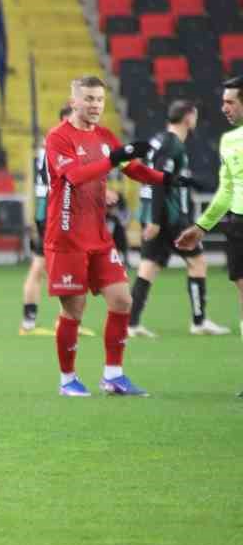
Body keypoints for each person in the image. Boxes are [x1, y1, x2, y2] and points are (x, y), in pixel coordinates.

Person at [42, 75, 182, 398]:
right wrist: (113, 159)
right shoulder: (58, 138)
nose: (94, 105)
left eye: (99, 100)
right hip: (66, 239)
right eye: (88, 99)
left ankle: (114, 375)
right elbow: (74, 176)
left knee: (122, 300)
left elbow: (131, 168)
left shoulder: (104, 136)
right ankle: (67, 380)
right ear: (74, 101)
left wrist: (167, 179)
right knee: (73, 311)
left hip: (98, 237)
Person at [129, 100, 229, 338]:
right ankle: (199, 321)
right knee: (198, 262)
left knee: (148, 267)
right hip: (170, 216)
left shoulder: (158, 140)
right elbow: (158, 181)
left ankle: (131, 324)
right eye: (193, 115)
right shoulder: (172, 145)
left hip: (156, 213)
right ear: (187, 117)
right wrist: (155, 220)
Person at [175, 75, 243, 359]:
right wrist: (202, 227)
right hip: (238, 225)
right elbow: (226, 190)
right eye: (223, 102)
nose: (224, 108)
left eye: (230, 102)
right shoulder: (229, 141)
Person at [21, 106, 75, 335]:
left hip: (53, 214)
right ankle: (31, 323)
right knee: (43, 266)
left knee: (55, 267)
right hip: (52, 215)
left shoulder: (53, 146)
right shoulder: (57, 145)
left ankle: (65, 320)